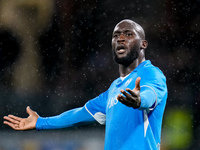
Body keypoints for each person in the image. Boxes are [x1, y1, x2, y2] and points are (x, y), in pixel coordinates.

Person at [3, 19, 168, 150]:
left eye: (128, 34)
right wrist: (41, 122)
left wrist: (140, 101)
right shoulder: (114, 88)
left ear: (143, 44)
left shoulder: (151, 73)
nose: (120, 38)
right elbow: (80, 113)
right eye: (116, 35)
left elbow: (151, 95)